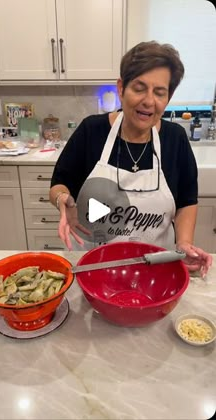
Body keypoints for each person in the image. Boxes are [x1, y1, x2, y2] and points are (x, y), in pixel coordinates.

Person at [50, 41, 212, 277]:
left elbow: (187, 200)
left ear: (169, 97)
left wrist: (184, 243)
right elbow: (58, 184)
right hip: (94, 266)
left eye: (159, 92)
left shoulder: (175, 138)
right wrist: (61, 199)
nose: (148, 101)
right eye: (139, 88)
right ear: (121, 87)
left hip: (154, 270)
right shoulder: (91, 130)